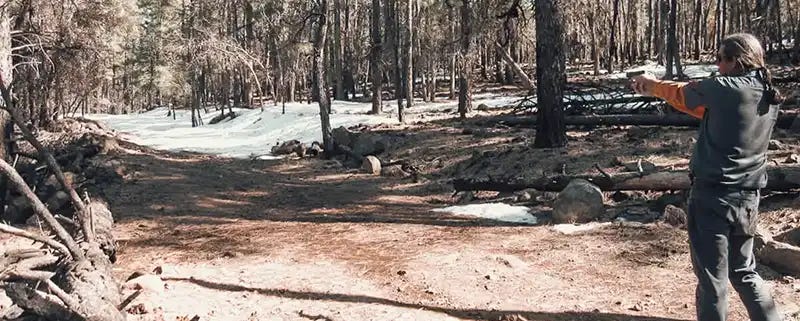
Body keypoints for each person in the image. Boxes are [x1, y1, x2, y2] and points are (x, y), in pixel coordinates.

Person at [630, 33, 783, 321]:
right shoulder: (767, 92)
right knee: (744, 272)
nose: (716, 64)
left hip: (714, 197)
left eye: (719, 58)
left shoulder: (725, 88)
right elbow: (699, 107)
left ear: (735, 62)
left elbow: (683, 94)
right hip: (748, 198)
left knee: (712, 280)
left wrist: (651, 86)